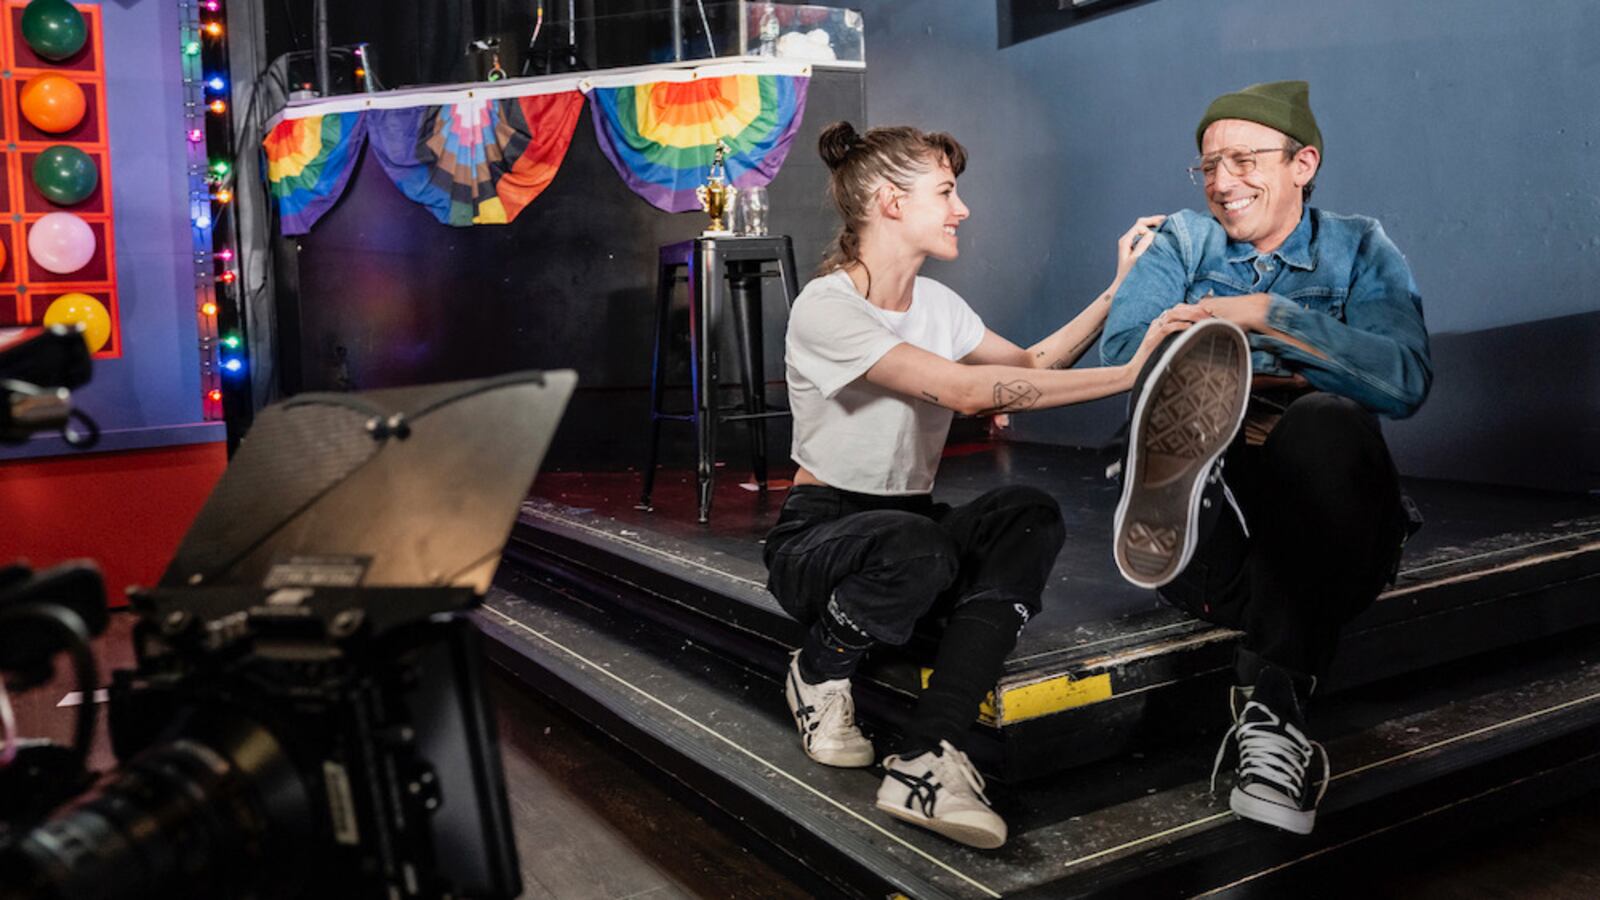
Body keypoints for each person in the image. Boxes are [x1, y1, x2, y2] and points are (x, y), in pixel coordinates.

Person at [764, 120, 1199, 849]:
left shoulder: (939, 307)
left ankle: (930, 752)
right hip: (820, 540)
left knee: (1025, 512)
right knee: (916, 546)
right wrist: (1133, 376)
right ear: (889, 202)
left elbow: (1026, 370)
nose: (962, 209)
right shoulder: (827, 307)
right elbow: (966, 393)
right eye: (946, 192)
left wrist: (1118, 292)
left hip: (908, 534)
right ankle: (818, 671)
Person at [1101, 80, 1432, 835]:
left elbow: (1404, 378)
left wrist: (1259, 317)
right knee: (1200, 407)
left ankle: (1269, 706)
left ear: (1302, 163)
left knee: (1324, 426)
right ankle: (1275, 712)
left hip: (1336, 532)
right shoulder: (1183, 240)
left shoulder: (1360, 247)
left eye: (1243, 160)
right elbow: (1126, 355)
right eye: (1208, 166)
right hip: (1206, 552)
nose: (1220, 182)